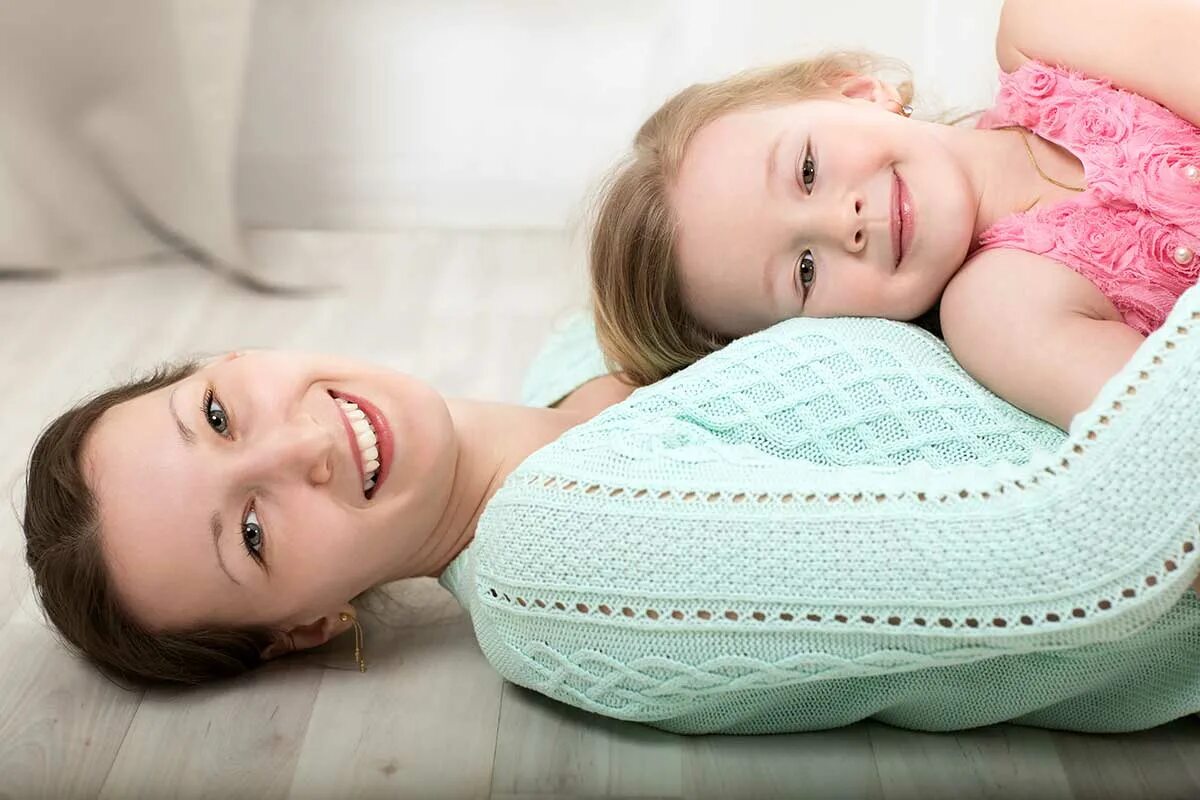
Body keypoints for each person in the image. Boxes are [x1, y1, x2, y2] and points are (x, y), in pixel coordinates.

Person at [18, 285, 1200, 733]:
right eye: (255, 532)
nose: (295, 447)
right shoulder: (559, 561)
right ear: (305, 626)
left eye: (219, 414)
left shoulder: (582, 337)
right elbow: (1090, 556)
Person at [589, 0, 1200, 431]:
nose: (842, 225)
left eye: (806, 170)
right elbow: (1176, 453)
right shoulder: (1001, 310)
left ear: (857, 91)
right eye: (805, 270)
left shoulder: (1046, 28)